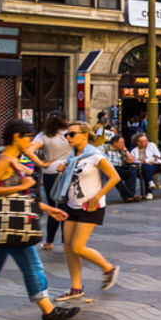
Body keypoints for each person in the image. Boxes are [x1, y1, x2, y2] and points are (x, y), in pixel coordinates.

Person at [0, 119, 80, 320]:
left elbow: (20, 198)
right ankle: (48, 311)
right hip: (8, 224)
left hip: (10, 223)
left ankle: (48, 311)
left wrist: (48, 209)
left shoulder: (15, 160)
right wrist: (23, 184)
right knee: (33, 266)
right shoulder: (4, 160)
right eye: (28, 138)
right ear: (16, 137)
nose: (31, 143)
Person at [49, 121, 121, 301]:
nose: (68, 138)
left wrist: (97, 196)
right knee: (68, 248)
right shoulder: (73, 156)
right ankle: (76, 287)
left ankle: (108, 268)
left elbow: (114, 177)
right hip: (72, 205)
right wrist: (63, 170)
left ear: (85, 135)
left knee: (77, 246)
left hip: (90, 206)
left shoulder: (95, 156)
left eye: (72, 134)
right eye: (67, 135)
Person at [25, 113, 70, 251]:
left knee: (53, 206)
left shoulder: (43, 135)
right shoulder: (69, 133)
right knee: (65, 205)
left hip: (51, 172)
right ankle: (66, 242)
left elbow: (28, 150)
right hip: (68, 171)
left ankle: (49, 242)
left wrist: (41, 163)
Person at [130, 133, 161, 201]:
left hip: (155, 165)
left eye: (146, 140)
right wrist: (142, 162)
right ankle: (150, 185)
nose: (146, 142)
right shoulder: (134, 151)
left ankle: (149, 191)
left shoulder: (151, 145)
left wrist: (145, 161)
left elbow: (157, 156)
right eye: (143, 141)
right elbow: (133, 161)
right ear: (138, 143)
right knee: (145, 168)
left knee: (146, 167)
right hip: (141, 168)